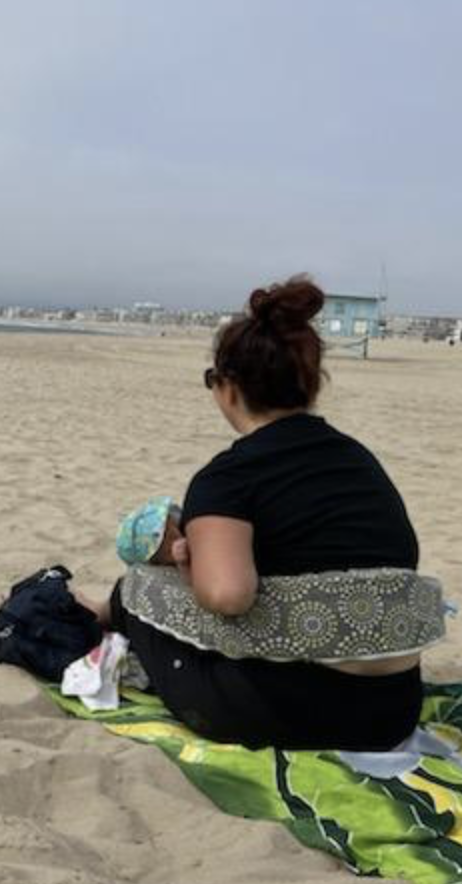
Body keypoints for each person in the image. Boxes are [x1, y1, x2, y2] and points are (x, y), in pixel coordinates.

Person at [81, 275, 422, 750]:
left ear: (228, 388)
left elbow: (227, 596)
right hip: (391, 711)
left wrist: (187, 563)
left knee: (138, 583)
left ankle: (104, 614)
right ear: (308, 386)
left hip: (288, 711)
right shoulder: (361, 462)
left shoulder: (228, 478)